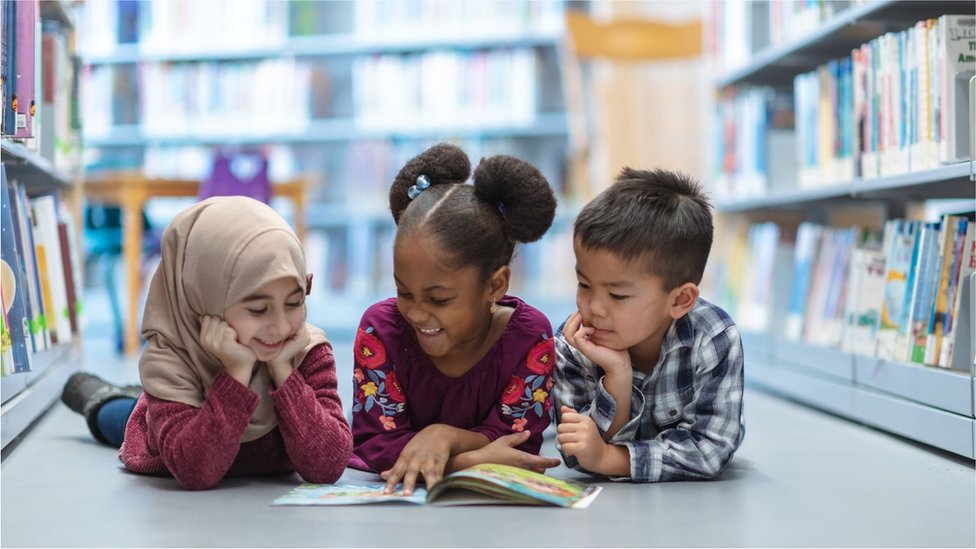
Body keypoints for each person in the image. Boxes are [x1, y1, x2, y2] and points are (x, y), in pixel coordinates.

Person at [60, 196, 352, 490]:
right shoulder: (171, 360)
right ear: (205, 296)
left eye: (294, 302)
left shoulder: (306, 349)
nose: (280, 326)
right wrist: (237, 375)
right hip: (165, 437)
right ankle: (99, 395)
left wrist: (283, 372)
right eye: (257, 309)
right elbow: (196, 471)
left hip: (211, 406)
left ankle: (138, 395)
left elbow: (328, 466)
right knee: (120, 416)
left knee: (145, 400)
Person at [350, 143, 561, 495]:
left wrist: (442, 436)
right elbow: (375, 445)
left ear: (495, 285)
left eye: (439, 299)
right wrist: (466, 461)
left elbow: (517, 445)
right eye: (404, 292)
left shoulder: (530, 338)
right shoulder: (380, 330)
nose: (416, 313)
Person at [552, 168, 744, 482]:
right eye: (583, 284)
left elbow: (710, 449)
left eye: (617, 295)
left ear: (680, 300)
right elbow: (577, 452)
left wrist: (610, 458)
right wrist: (618, 376)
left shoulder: (714, 338)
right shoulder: (573, 342)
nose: (594, 308)